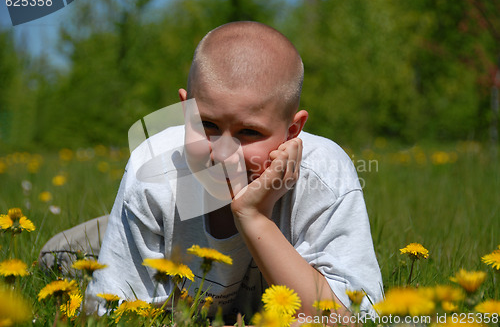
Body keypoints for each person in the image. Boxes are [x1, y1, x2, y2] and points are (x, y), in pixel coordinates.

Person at [81, 21, 383, 323]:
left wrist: (255, 217)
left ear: (292, 132)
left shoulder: (324, 176)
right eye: (207, 125)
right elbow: (111, 315)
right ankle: (85, 243)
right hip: (157, 227)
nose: (223, 155)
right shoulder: (153, 171)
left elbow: (354, 318)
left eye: (249, 132)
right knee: (76, 257)